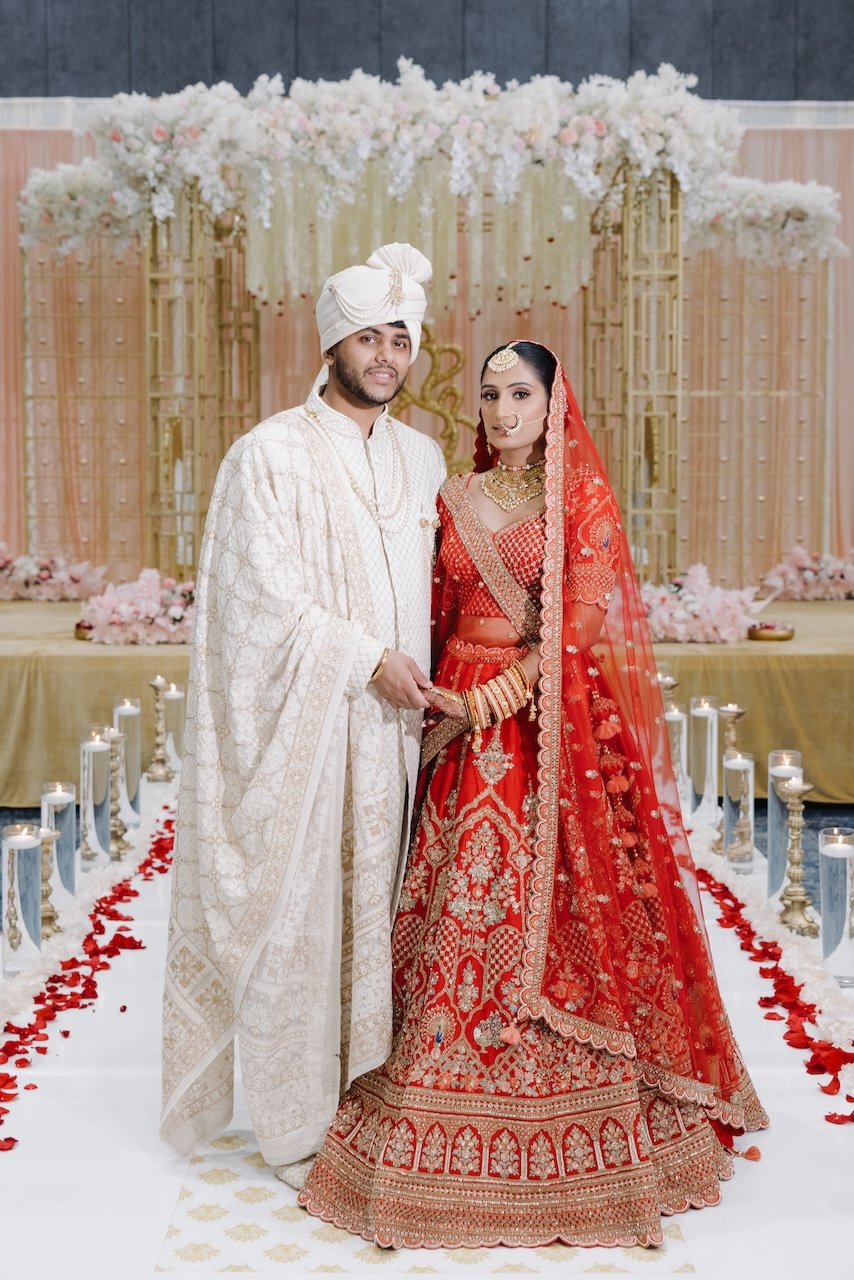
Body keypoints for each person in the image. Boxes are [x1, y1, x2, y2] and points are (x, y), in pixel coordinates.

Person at [298, 341, 768, 1247]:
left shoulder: (582, 499)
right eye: (489, 395)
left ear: (554, 405)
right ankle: (426, 1105)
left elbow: (577, 633)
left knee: (550, 909)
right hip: (453, 730)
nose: (502, 411)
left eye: (520, 394)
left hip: (546, 734)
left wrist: (488, 699)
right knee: (449, 913)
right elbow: (422, 611)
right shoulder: (453, 499)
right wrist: (431, 695)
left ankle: (580, 1120)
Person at [160, 244, 447, 1190]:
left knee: (389, 927)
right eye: (369, 337)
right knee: (303, 919)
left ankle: (375, 1103)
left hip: (404, 740)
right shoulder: (269, 453)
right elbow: (259, 603)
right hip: (315, 737)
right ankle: (293, 1128)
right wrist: (367, 660)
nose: (386, 356)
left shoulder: (424, 455)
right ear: (333, 345)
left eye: (400, 340)